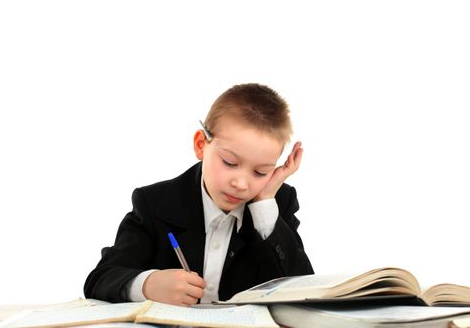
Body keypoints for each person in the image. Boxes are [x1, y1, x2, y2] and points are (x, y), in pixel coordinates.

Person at [84, 83, 314, 306]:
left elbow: (303, 290)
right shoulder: (154, 203)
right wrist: (147, 285)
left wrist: (264, 204)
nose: (241, 184)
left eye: (260, 172)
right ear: (201, 144)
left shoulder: (277, 204)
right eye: (229, 162)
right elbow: (100, 279)